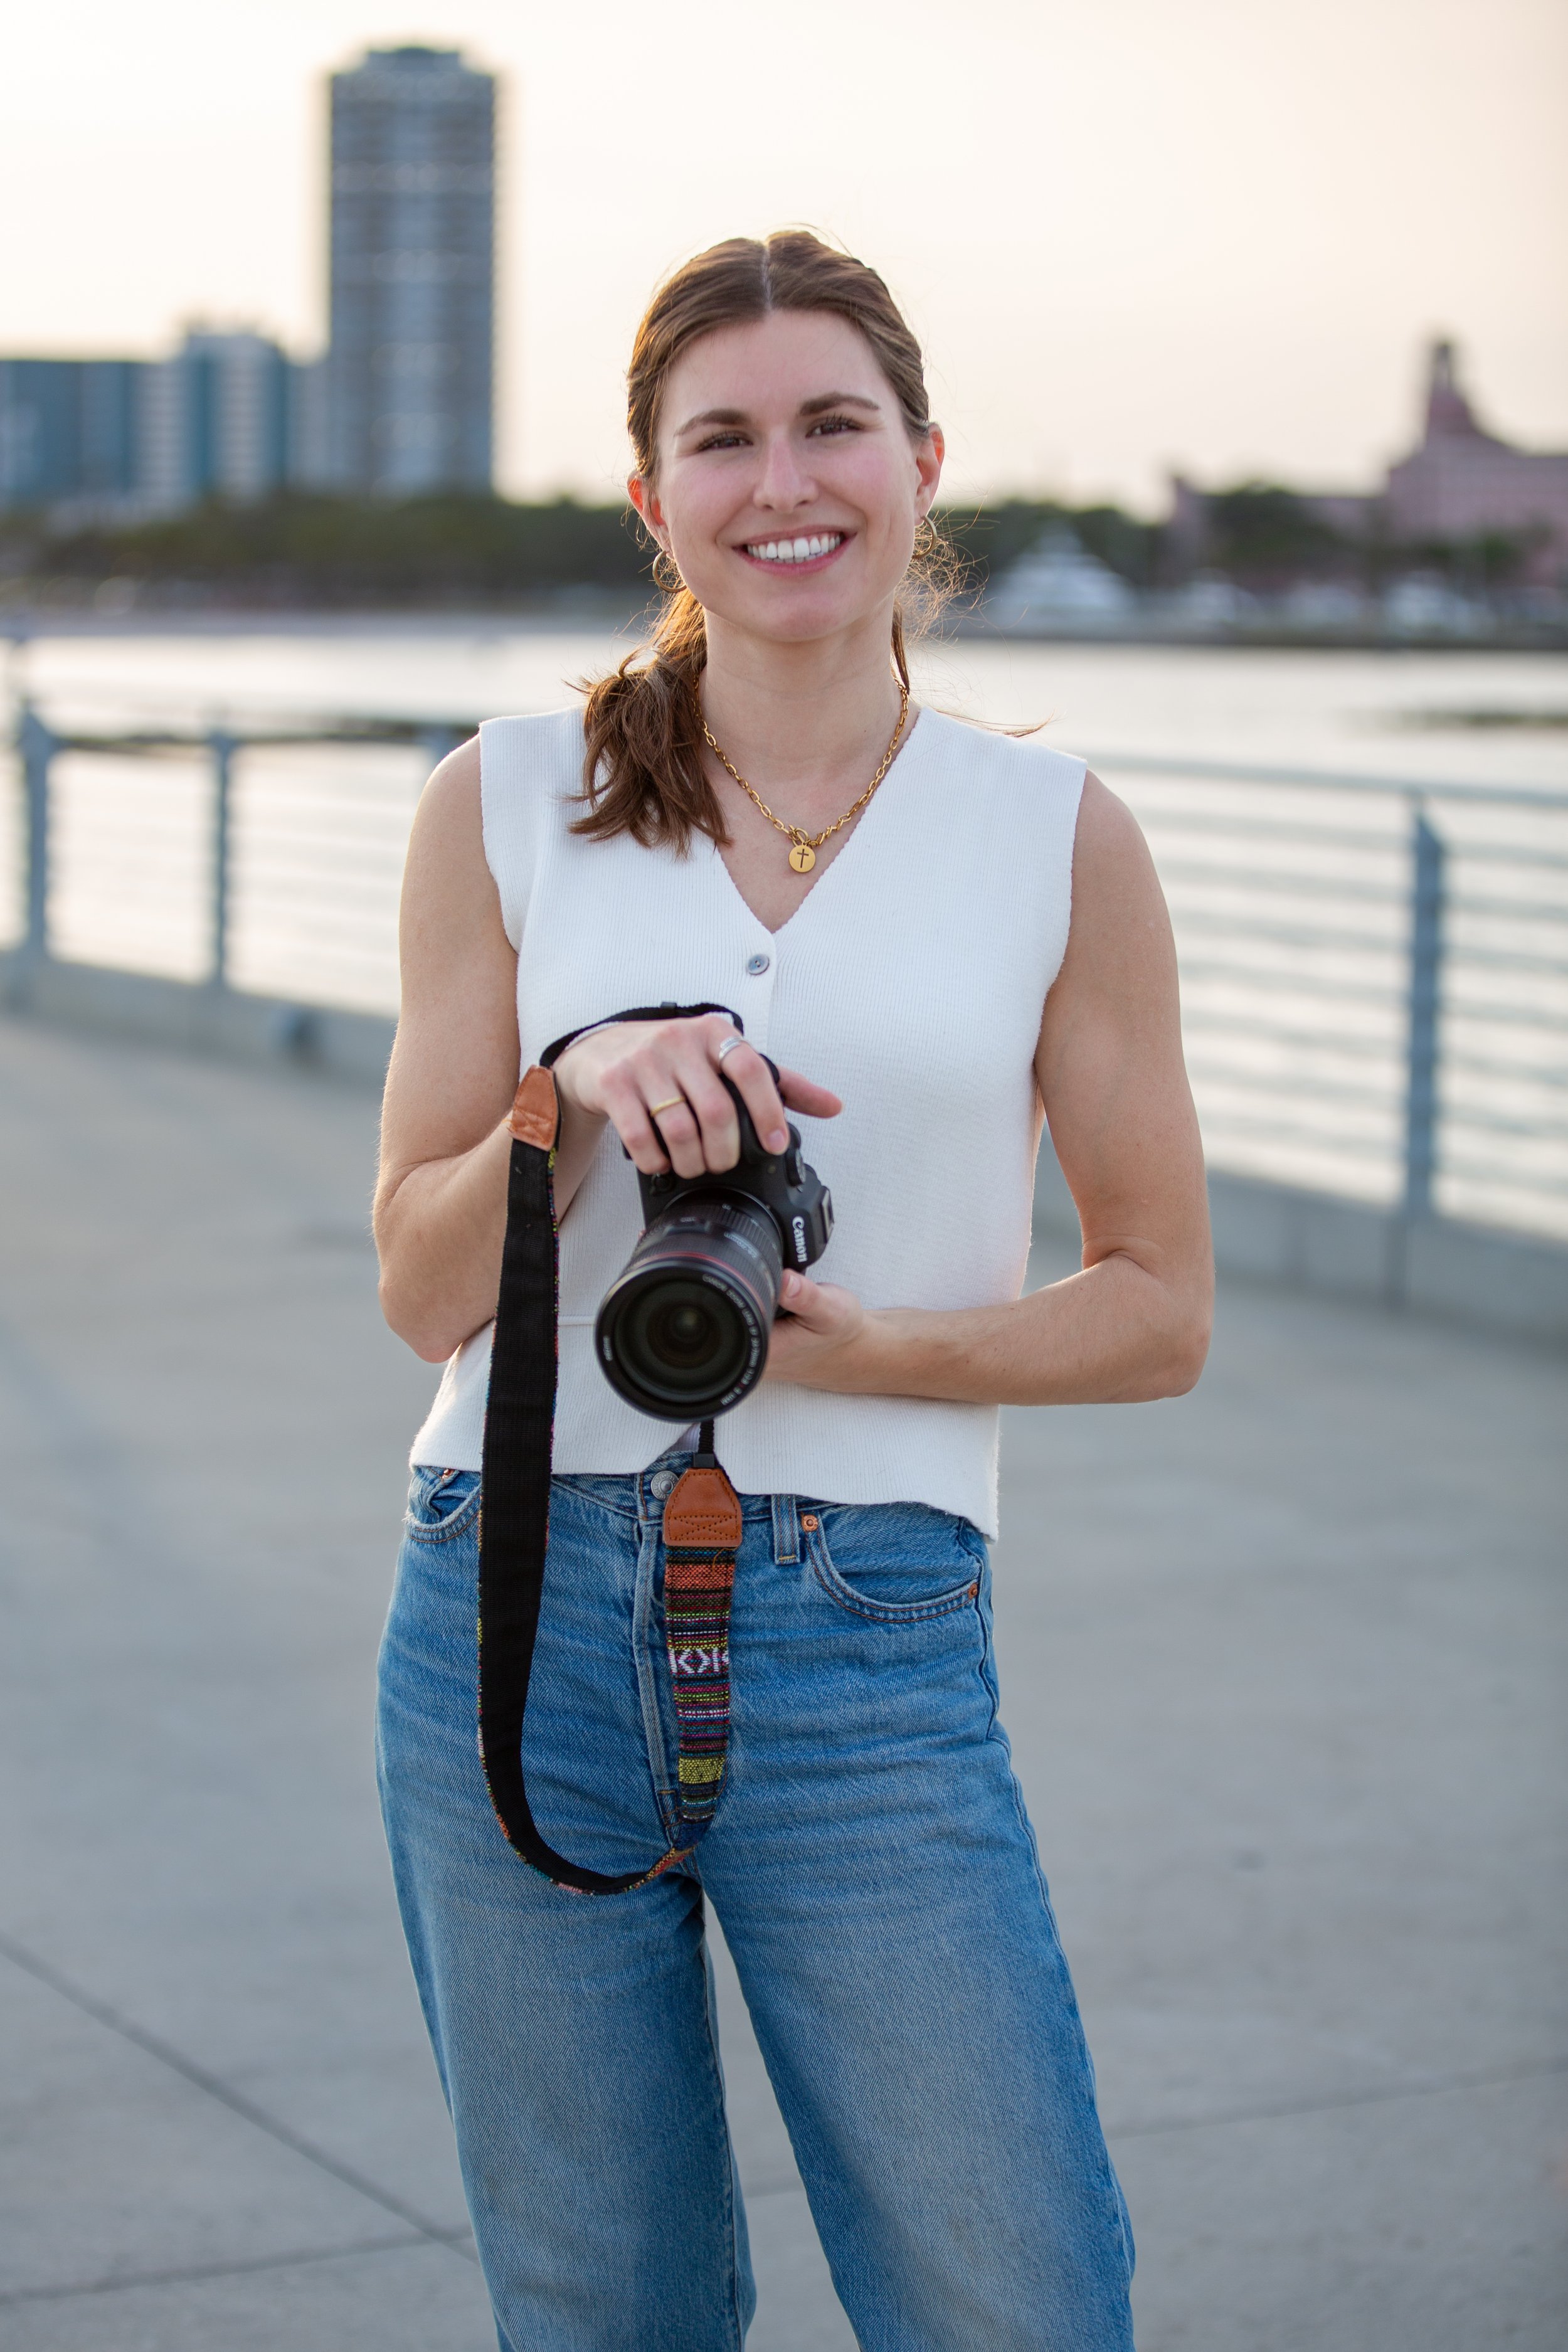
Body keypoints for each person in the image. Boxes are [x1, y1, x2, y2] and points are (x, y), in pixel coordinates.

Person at [372, 230, 1212, 2352]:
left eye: (832, 424)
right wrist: (569, 1097)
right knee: (598, 2309)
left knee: (1008, 2295)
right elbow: (412, 1282)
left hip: (869, 1623)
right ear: (652, 500)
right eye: (720, 439)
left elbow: (1157, 1305)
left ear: (923, 462)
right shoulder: (505, 803)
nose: (785, 481)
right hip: (507, 1601)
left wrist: (884, 1346)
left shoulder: (1053, 835)